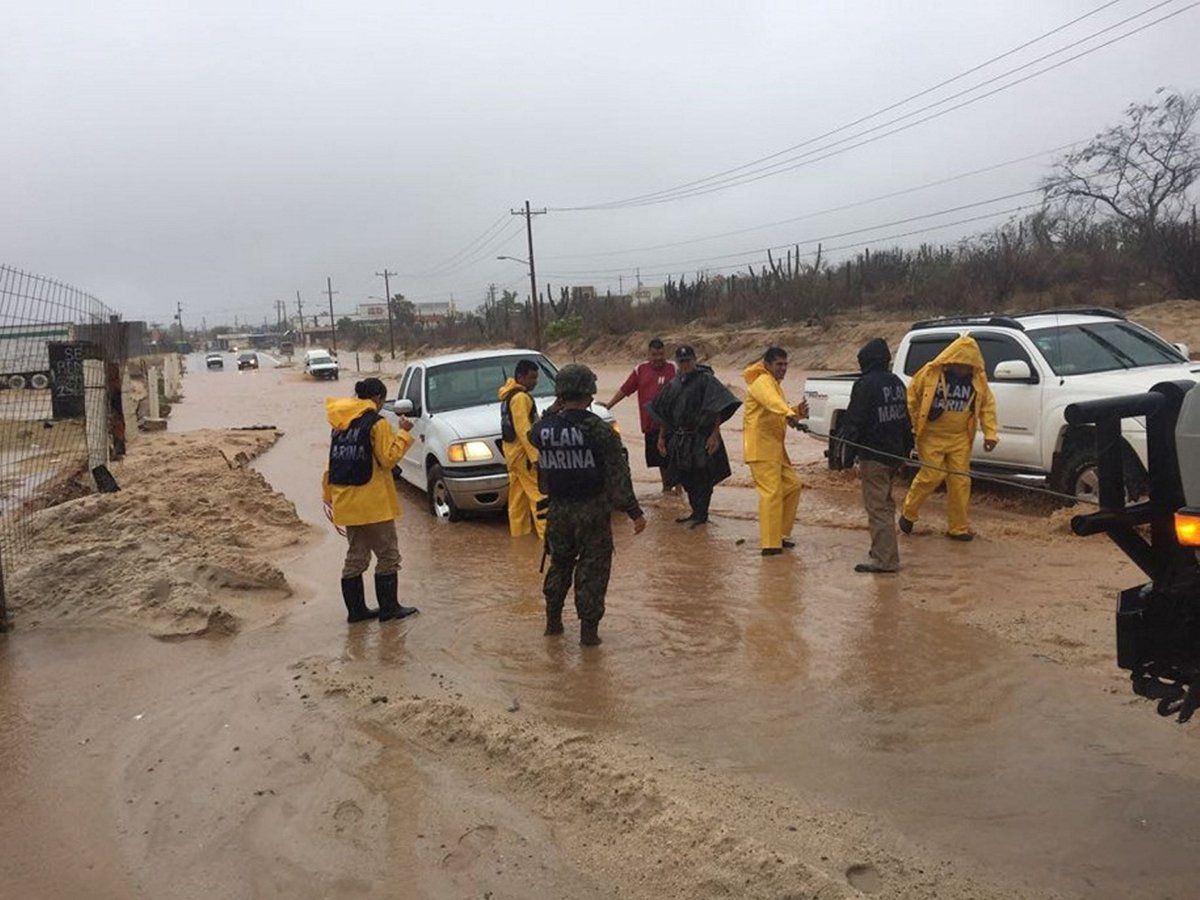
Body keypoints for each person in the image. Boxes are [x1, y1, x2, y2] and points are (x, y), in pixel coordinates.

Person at [531, 364, 646, 646]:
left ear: (561, 394)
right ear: (589, 393)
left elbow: (533, 433)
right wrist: (634, 512)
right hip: (592, 510)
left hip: (558, 511)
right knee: (593, 571)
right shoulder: (599, 429)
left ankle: (553, 624)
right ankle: (589, 635)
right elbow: (618, 475)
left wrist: (553, 409)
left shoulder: (544, 429)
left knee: (559, 565)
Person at [322, 377, 419, 623]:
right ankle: (389, 609)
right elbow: (388, 459)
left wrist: (329, 497)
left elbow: (332, 464)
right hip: (373, 503)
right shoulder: (378, 423)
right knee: (388, 556)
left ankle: (356, 612)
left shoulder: (340, 424)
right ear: (377, 398)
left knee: (356, 557)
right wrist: (404, 434)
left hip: (347, 501)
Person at [899, 334, 999, 541]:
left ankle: (958, 528)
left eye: (968, 364)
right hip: (930, 436)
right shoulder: (929, 373)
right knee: (932, 475)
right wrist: (912, 424)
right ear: (951, 360)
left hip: (960, 438)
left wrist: (991, 434)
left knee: (960, 481)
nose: (963, 368)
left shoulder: (978, 380)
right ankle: (908, 513)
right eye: (960, 364)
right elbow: (911, 397)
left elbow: (987, 406)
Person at [837, 338, 912, 573]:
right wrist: (906, 450)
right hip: (895, 454)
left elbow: (854, 422)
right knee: (886, 504)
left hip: (874, 456)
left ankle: (886, 561)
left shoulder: (865, 384)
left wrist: (844, 457)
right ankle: (882, 548)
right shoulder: (897, 382)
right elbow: (904, 419)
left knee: (877, 507)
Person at [645, 346, 741, 528]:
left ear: (695, 360)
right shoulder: (673, 384)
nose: (685, 364)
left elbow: (718, 408)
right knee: (685, 476)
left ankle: (701, 515)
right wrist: (661, 437)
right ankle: (695, 512)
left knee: (703, 478)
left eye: (688, 360)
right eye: (681, 361)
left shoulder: (707, 381)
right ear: (677, 363)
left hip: (702, 437)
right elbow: (663, 413)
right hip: (681, 439)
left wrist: (715, 435)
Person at [742, 347, 808, 556]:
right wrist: (790, 413)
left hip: (775, 449)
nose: (783, 369)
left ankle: (779, 534)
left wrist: (796, 411)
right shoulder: (762, 382)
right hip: (761, 449)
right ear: (767, 365)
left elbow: (778, 408)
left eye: (786, 364)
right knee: (771, 493)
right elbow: (773, 403)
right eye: (779, 364)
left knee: (793, 486)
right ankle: (770, 545)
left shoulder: (774, 385)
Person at [603, 338, 677, 490]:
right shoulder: (640, 370)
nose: (658, 358)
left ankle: (679, 490)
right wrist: (609, 405)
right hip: (650, 424)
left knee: (676, 458)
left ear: (665, 353)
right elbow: (625, 389)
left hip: (673, 424)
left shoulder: (673, 369)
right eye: (654, 354)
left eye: (661, 354)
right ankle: (667, 491)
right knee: (660, 461)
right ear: (648, 354)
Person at [498, 359, 546, 539]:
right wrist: (535, 457)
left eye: (536, 377)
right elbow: (523, 429)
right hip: (524, 457)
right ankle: (548, 541)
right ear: (521, 376)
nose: (535, 381)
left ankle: (520, 542)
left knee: (518, 503)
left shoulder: (508, 396)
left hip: (513, 457)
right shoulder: (520, 398)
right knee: (539, 498)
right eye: (532, 377)